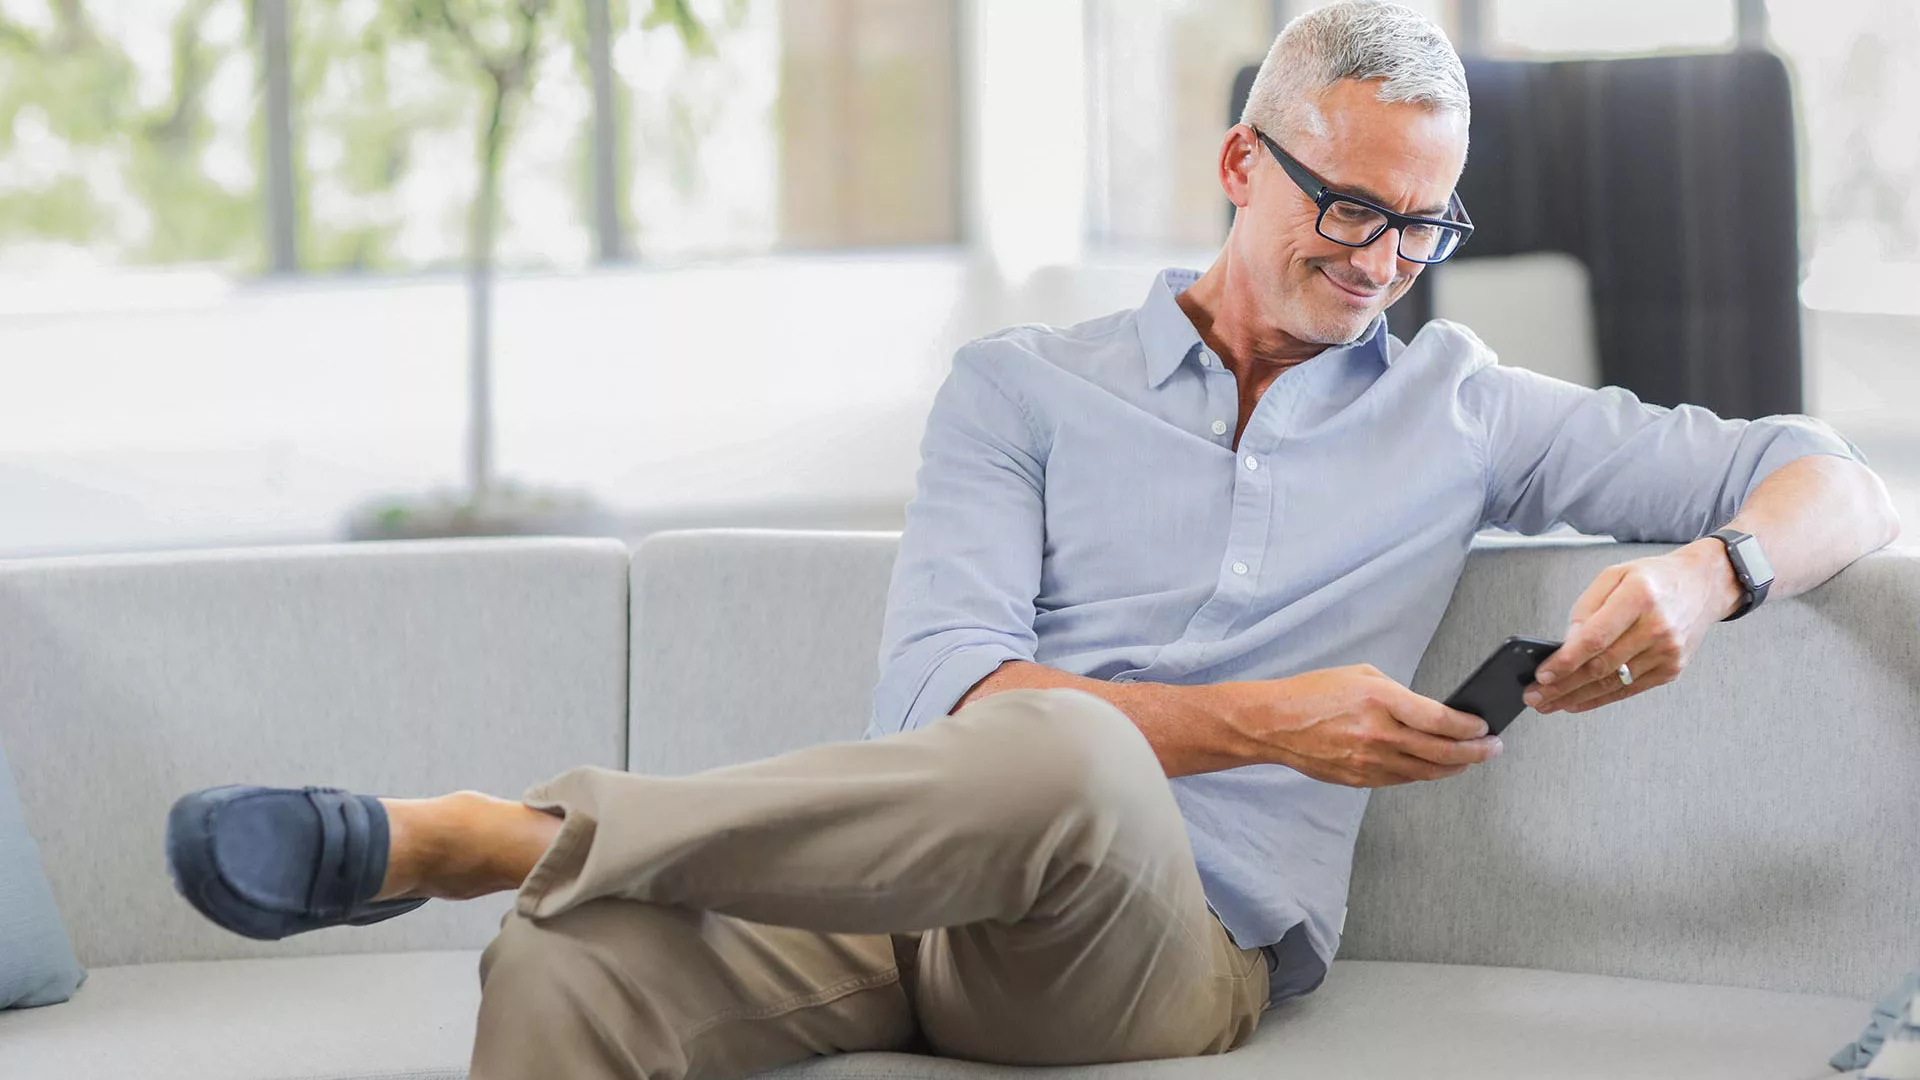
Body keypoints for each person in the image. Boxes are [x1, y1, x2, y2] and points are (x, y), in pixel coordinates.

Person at [163, 3, 1901, 1078]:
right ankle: (540, 869)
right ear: (1244, 161)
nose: (1382, 259)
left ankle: (493, 827)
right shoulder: (1018, 391)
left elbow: (1837, 478)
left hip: (1162, 950)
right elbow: (944, 699)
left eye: (1425, 224)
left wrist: (1702, 574)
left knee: (1071, 752)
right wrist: (1276, 717)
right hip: (899, 897)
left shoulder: (1462, 404)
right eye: (1349, 206)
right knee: (575, 949)